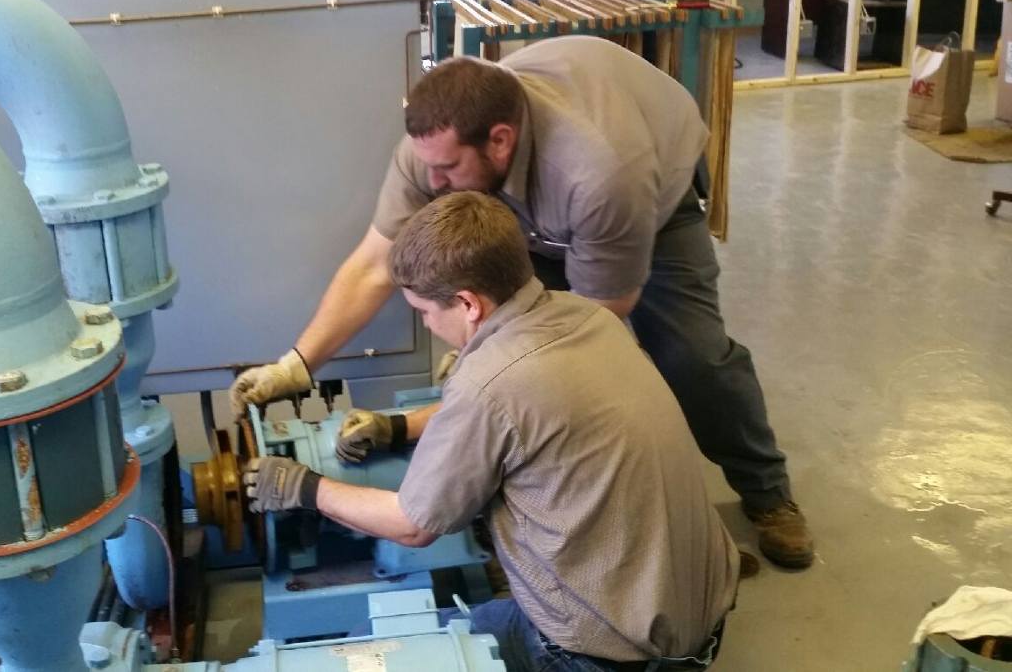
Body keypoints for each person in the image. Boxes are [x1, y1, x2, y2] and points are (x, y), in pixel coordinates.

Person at [229, 36, 812, 568]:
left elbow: (587, 330)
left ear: (500, 141)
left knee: (689, 360)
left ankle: (766, 493)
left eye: (447, 170)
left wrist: (470, 386)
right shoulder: (438, 150)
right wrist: (296, 365)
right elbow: (375, 262)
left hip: (648, 205)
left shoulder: (602, 174)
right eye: (428, 166)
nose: (432, 184)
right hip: (524, 206)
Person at [243, 192, 739, 672]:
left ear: (467, 303)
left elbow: (414, 525)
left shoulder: (489, 383)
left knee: (364, 650)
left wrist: (304, 486)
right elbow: (523, 410)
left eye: (424, 312)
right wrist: (397, 428)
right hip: (702, 623)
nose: (428, 324)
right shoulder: (588, 316)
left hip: (601, 656)